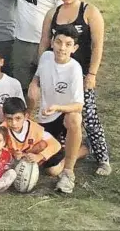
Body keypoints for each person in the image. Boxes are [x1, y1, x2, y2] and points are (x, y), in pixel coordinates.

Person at [38, 0, 110, 176]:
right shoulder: (53, 13)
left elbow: (98, 46)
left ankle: (102, 158)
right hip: (56, 73)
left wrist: (92, 74)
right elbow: (44, 42)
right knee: (59, 116)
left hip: (81, 74)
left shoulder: (90, 12)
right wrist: (40, 73)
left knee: (88, 116)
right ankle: (72, 150)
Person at [27, 24, 84, 194]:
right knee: (50, 169)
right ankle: (79, 149)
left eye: (68, 44)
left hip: (64, 113)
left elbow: (79, 105)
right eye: (58, 42)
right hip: (46, 116)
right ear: (52, 42)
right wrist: (33, 85)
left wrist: (58, 107)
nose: (62, 48)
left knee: (74, 118)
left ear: (74, 48)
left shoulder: (74, 69)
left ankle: (69, 172)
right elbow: (37, 76)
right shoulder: (45, 57)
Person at [11, 0, 61, 93]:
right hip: (21, 42)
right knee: (21, 87)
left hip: (45, 43)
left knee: (48, 86)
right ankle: (24, 116)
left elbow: (61, 15)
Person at [0, 97, 64, 177]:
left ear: (26, 116)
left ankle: (67, 160)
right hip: (17, 158)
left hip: (32, 155)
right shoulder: (1, 130)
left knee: (53, 171)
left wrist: (39, 156)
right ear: (4, 117)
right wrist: (12, 154)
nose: (14, 123)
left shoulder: (35, 129)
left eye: (18, 118)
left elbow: (56, 144)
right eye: (9, 119)